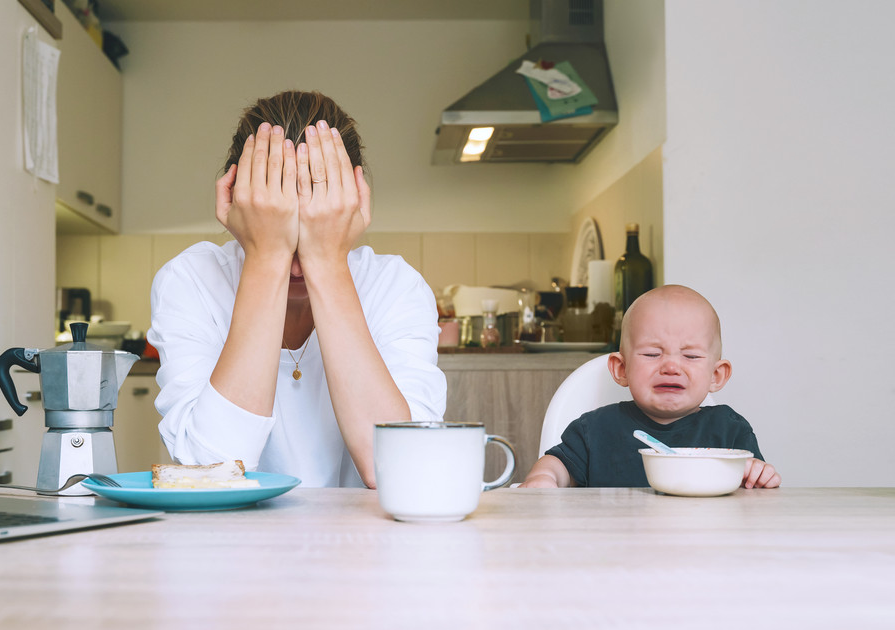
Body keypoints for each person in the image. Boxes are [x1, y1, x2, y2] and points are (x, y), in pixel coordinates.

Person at [145, 91, 446, 488]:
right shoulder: (190, 280)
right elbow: (211, 472)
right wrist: (266, 257)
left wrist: (329, 263)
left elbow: (399, 470)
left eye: (318, 226)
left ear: (355, 204)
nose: (300, 261)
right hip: (229, 543)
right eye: (281, 226)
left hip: (369, 545)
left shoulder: (396, 286)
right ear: (236, 201)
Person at [519, 284, 780, 489]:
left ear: (716, 375)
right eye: (652, 354)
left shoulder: (730, 431)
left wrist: (759, 475)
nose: (671, 367)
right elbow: (558, 466)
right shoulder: (594, 431)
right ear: (622, 369)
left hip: (703, 548)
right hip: (614, 549)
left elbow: (753, 486)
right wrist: (544, 477)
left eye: (690, 356)